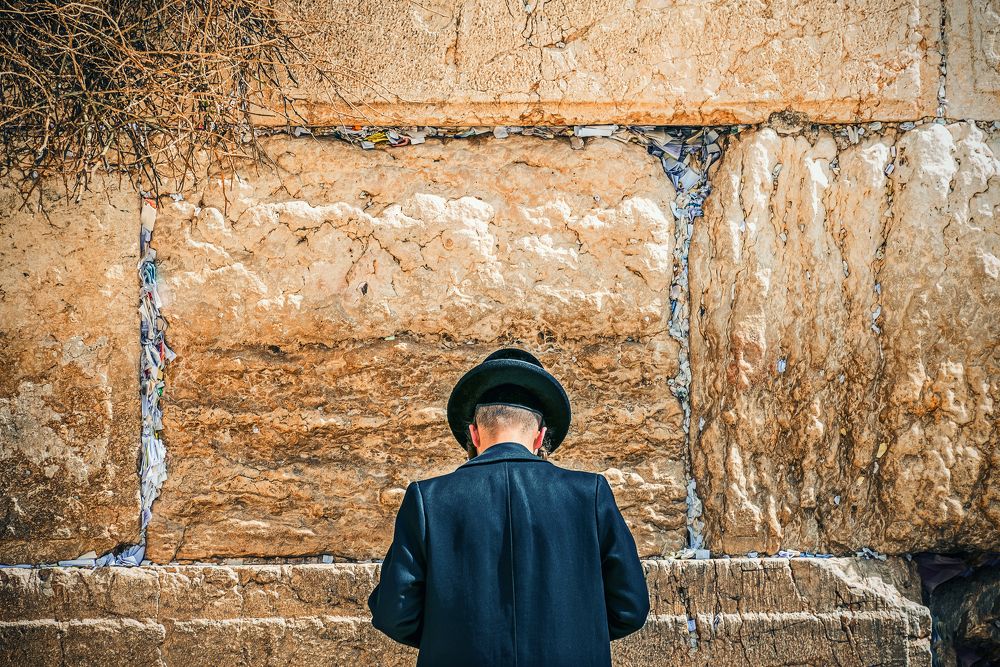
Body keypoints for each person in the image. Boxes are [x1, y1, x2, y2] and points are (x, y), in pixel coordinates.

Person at [368, 347, 649, 666]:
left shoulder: (427, 499)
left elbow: (394, 614)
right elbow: (631, 608)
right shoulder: (591, 493)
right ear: (541, 436)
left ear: (473, 433)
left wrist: (457, 636)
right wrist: (570, 634)